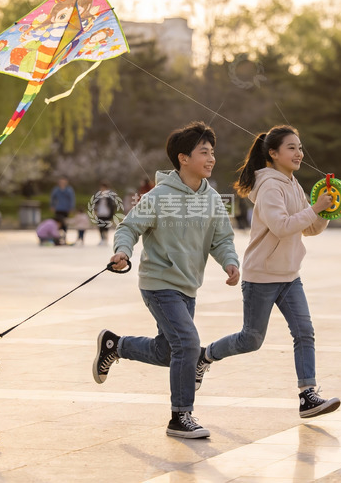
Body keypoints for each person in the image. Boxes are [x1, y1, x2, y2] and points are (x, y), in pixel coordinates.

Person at [92, 121, 240, 440]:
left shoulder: (212, 199)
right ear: (183, 158)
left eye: (212, 152)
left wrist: (230, 261)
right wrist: (122, 252)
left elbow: (222, 239)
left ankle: (114, 345)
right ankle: (180, 416)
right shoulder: (159, 196)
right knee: (188, 345)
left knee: (168, 351)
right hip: (159, 283)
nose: (211, 158)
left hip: (188, 287)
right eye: (204, 152)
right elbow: (128, 228)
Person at [198, 125, 340, 419]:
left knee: (305, 333)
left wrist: (326, 210)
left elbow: (309, 228)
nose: (299, 153)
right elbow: (282, 225)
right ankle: (205, 355)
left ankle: (307, 395)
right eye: (291, 148)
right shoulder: (269, 186)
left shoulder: (293, 183)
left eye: (300, 147)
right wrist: (315, 208)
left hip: (289, 275)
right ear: (273, 153)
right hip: (261, 276)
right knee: (251, 339)